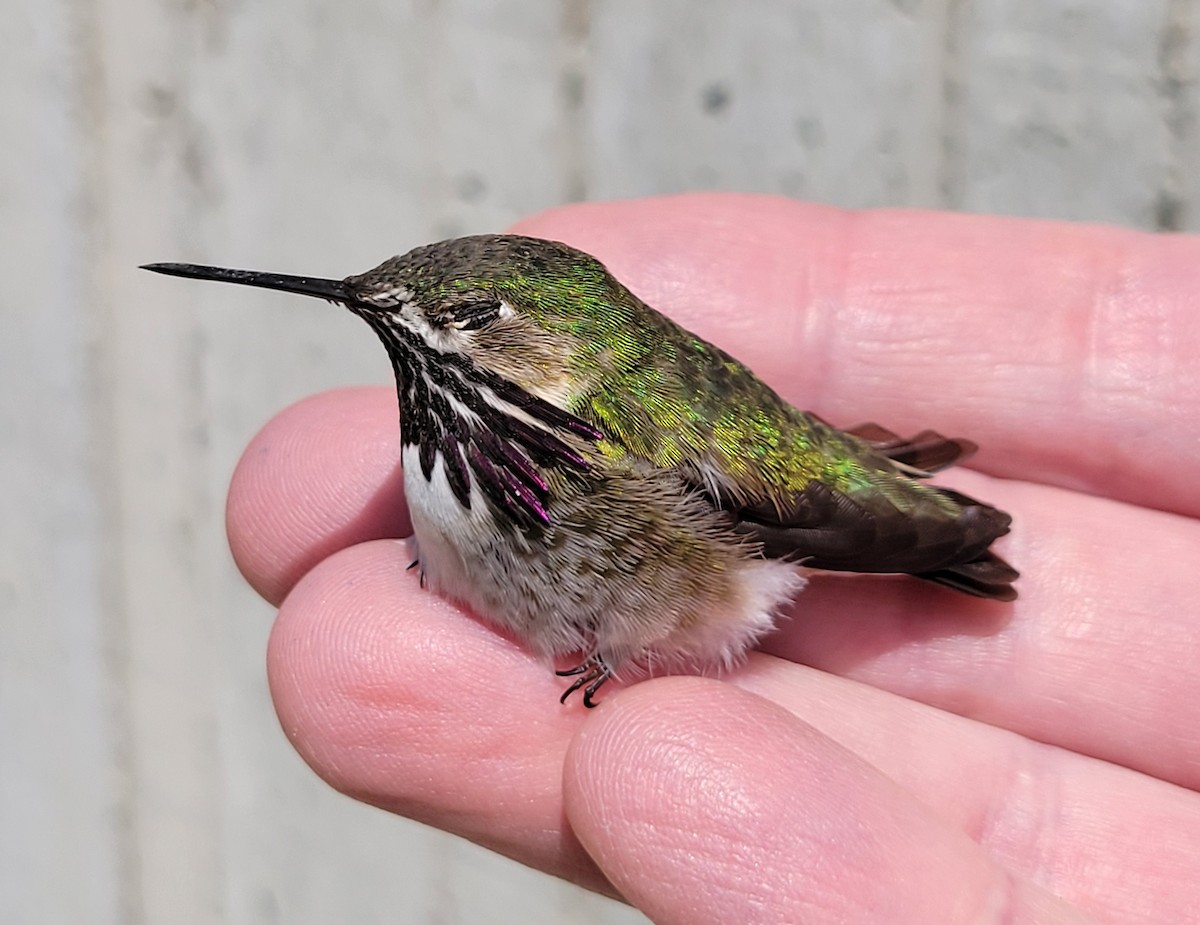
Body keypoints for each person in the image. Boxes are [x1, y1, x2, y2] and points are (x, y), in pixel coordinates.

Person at [226, 193, 1199, 924]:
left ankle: (917, 515)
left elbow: (744, 504)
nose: (432, 330)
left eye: (472, 317)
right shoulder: (470, 435)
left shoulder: (598, 444)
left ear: (554, 344)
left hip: (733, 527)